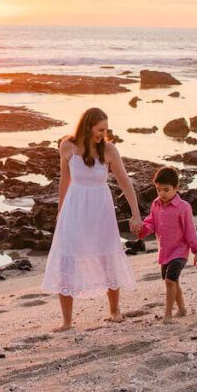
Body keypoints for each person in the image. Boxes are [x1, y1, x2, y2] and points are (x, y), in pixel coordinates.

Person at [42, 107, 141, 331]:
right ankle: (67, 321)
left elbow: (125, 182)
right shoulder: (67, 146)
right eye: (100, 129)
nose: (103, 134)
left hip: (100, 209)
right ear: (87, 126)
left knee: (107, 255)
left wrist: (135, 214)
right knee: (67, 257)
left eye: (105, 129)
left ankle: (115, 311)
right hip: (74, 209)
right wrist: (60, 211)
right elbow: (64, 181)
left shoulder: (109, 150)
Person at [138, 166, 197, 322]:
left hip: (180, 252)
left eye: (166, 190)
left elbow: (190, 230)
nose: (162, 194)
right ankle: (182, 309)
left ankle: (167, 314)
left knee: (169, 281)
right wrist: (142, 230)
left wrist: (196, 252)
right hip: (165, 252)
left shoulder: (184, 207)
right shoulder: (156, 204)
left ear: (177, 188)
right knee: (174, 282)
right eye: (158, 190)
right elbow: (151, 223)